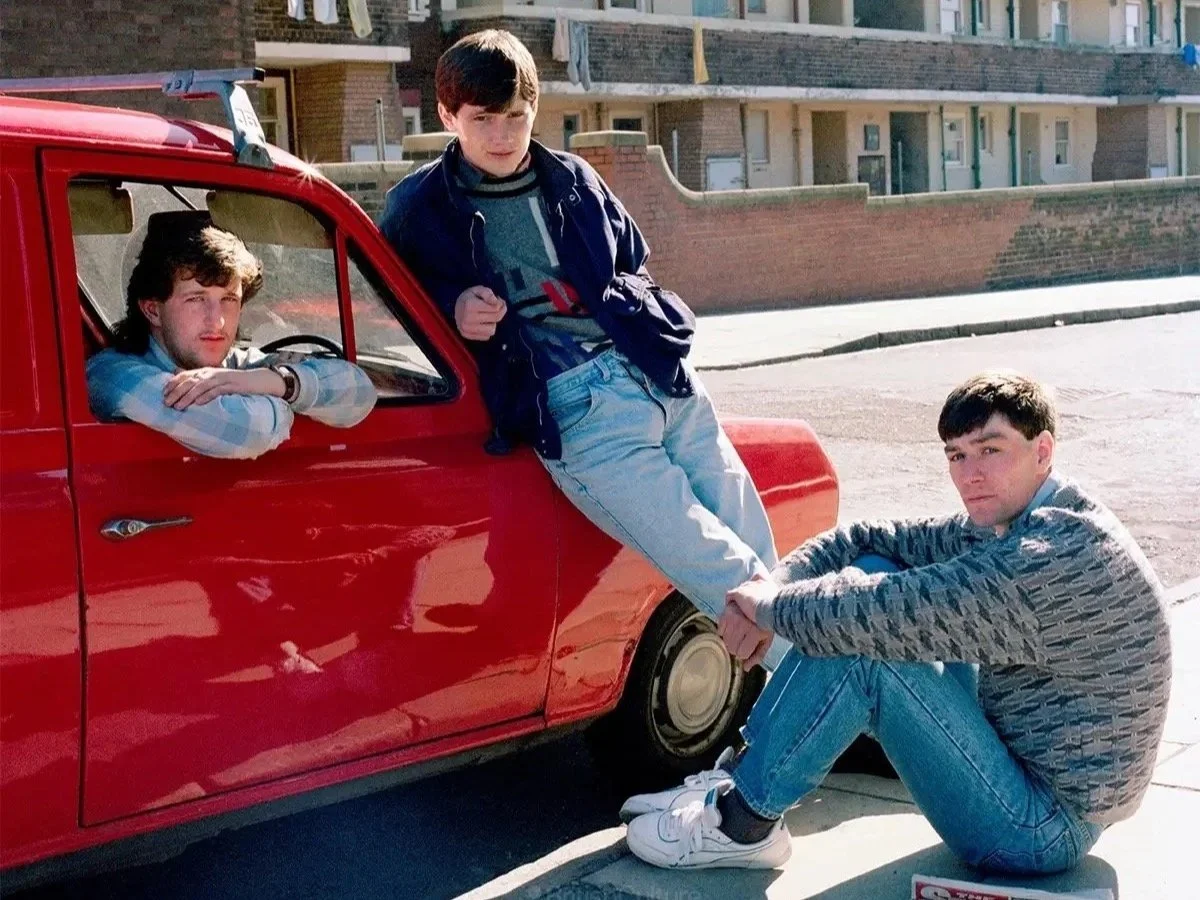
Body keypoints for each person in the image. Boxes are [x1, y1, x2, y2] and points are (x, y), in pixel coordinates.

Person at [623, 372, 1172, 874]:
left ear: (1043, 451)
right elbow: (870, 538)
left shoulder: (1048, 556)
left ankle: (743, 824)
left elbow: (877, 613)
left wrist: (770, 611)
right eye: (957, 455)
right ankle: (742, 778)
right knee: (878, 570)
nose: (970, 474)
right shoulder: (1022, 514)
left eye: (990, 450)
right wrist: (772, 586)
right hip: (1027, 769)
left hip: (1042, 826)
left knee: (866, 641)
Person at [380, 30, 787, 667]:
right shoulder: (417, 208)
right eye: (482, 120)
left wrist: (647, 320)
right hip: (579, 410)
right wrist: (452, 309)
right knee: (724, 568)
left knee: (761, 557)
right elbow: (386, 314)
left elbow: (632, 264)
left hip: (664, 378)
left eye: (515, 117)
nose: (502, 136)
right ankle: (859, 701)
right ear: (446, 117)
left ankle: (833, 697)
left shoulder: (573, 177)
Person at [87, 212, 376, 458]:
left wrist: (271, 381)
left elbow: (360, 391)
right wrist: (284, 404)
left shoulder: (235, 365)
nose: (219, 320)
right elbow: (252, 430)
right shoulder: (112, 374)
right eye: (196, 299)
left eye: (229, 299)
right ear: (152, 310)